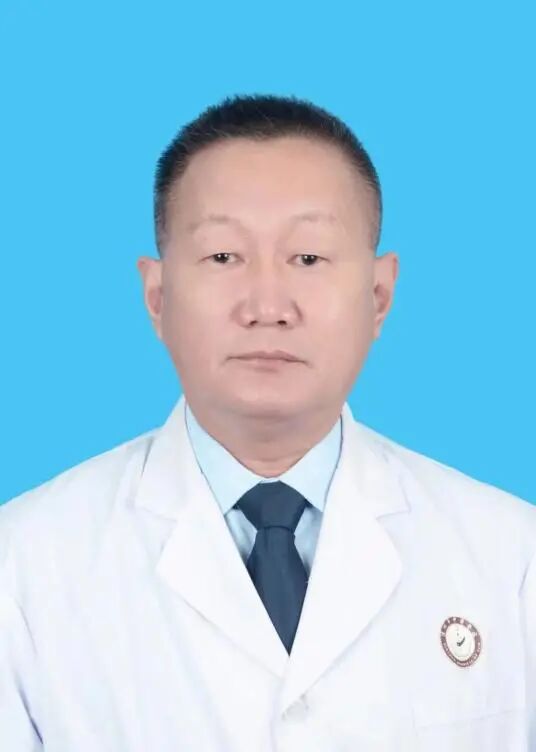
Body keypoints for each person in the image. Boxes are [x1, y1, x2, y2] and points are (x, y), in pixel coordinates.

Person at [1, 93, 535, 752]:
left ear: (378, 296)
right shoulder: (23, 566)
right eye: (223, 257)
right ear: (157, 297)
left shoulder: (512, 558)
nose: (267, 305)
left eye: (308, 258)